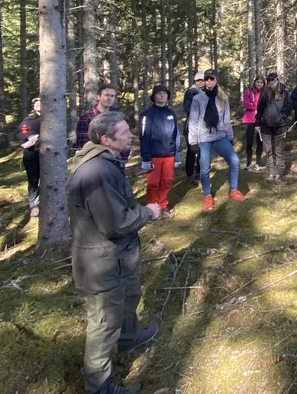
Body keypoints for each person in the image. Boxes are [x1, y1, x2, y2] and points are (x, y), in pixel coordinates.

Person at [67, 111, 162, 394]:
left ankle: (129, 338)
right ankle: (99, 386)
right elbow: (115, 223)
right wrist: (148, 212)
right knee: (104, 323)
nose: (130, 136)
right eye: (124, 133)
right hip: (102, 262)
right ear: (105, 139)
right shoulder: (96, 172)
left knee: (130, 295)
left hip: (118, 257)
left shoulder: (106, 163)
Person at [188, 70, 246, 211]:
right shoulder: (198, 98)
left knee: (235, 161)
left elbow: (226, 120)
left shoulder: (222, 98)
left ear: (215, 80)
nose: (209, 81)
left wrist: (230, 137)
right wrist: (193, 141)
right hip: (204, 138)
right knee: (204, 167)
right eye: (206, 79)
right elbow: (193, 121)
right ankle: (207, 195)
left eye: (211, 79)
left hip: (220, 137)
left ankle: (233, 190)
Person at [138, 85, 182, 219]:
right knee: (153, 184)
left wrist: (178, 155)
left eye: (165, 93)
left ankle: (162, 206)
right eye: (159, 93)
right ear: (154, 96)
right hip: (154, 156)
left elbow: (176, 136)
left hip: (169, 155)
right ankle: (152, 210)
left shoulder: (171, 114)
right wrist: (146, 158)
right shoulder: (147, 114)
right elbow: (144, 137)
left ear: (168, 96)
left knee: (167, 181)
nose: (162, 95)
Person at [76, 84, 130, 162]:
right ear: (98, 97)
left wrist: (123, 160)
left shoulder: (119, 116)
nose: (109, 98)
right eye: (106, 95)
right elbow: (82, 144)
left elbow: (125, 138)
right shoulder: (87, 117)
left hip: (117, 160)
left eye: (112, 96)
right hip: (94, 160)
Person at [256, 73, 291, 182]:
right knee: (268, 151)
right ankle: (271, 172)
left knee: (279, 151)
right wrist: (257, 123)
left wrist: (283, 117)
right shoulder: (264, 93)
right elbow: (260, 109)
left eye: (272, 79)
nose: (270, 81)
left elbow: (289, 107)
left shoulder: (284, 93)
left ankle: (279, 174)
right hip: (266, 126)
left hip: (280, 126)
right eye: (269, 80)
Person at [16, 97, 42, 218]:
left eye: (39, 103)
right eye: (35, 104)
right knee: (33, 180)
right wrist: (28, 138)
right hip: (31, 154)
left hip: (49, 154)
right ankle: (34, 205)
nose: (37, 105)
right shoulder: (28, 120)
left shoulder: (53, 119)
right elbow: (18, 133)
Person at [182, 72, 206, 184]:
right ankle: (189, 174)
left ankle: (199, 173)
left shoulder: (207, 93)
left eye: (202, 80)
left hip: (204, 126)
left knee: (202, 150)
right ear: (195, 81)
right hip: (191, 124)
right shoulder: (190, 92)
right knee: (191, 150)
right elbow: (186, 107)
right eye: (198, 80)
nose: (200, 82)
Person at [241, 76, 265, 171]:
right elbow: (246, 105)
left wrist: (254, 105)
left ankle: (258, 163)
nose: (259, 84)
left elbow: (265, 106)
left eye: (261, 82)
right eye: (257, 82)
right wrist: (257, 106)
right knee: (249, 142)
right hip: (249, 120)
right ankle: (248, 163)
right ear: (254, 82)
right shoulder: (248, 92)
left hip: (260, 120)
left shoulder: (265, 93)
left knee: (260, 142)